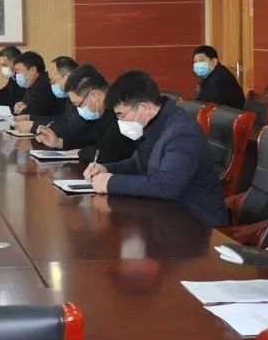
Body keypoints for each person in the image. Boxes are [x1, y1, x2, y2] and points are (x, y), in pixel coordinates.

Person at [82, 70, 227, 227]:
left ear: (144, 108)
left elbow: (168, 185)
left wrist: (111, 183)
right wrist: (106, 169)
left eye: (121, 115)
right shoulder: (154, 123)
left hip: (197, 223)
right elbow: (138, 163)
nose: (120, 121)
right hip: (166, 216)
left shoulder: (181, 133)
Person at [35, 65, 136, 164]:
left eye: (78, 104)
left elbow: (107, 153)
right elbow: (89, 140)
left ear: (94, 95)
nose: (78, 110)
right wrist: (58, 142)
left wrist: (82, 152)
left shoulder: (122, 111)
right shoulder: (100, 112)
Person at [11, 50, 63, 117]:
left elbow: (31, 113)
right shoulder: (31, 83)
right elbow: (23, 104)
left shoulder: (44, 84)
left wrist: (22, 110)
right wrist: (18, 106)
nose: (16, 75)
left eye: (18, 71)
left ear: (32, 70)